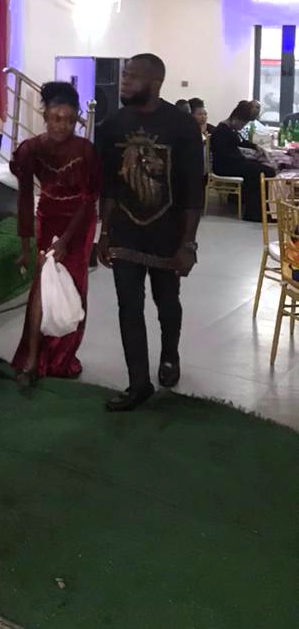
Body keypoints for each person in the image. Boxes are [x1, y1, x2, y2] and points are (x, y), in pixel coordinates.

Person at [97, 54, 204, 412]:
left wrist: (188, 243)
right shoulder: (113, 125)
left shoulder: (182, 126)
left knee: (166, 301)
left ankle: (170, 354)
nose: (124, 81)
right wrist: (105, 232)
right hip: (125, 231)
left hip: (167, 233)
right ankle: (138, 383)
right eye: (124, 75)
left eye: (132, 76)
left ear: (155, 83)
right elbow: (109, 186)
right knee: (128, 305)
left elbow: (193, 191)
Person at [10, 81, 101, 385]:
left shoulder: (85, 150)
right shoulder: (30, 149)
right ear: (45, 116)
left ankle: (61, 358)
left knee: (72, 287)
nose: (63, 125)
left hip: (79, 221)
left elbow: (89, 199)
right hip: (48, 218)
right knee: (42, 285)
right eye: (56, 118)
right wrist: (25, 244)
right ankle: (32, 360)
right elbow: (24, 197)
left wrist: (65, 241)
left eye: (70, 120)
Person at [210, 102, 275, 221]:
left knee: (262, 168)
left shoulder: (230, 129)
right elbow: (225, 155)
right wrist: (247, 158)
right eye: (242, 124)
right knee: (266, 172)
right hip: (225, 167)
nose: (242, 126)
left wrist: (255, 147)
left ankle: (257, 208)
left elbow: (241, 141)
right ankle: (255, 213)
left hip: (234, 163)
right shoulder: (221, 132)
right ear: (235, 119)